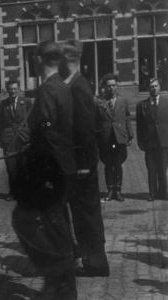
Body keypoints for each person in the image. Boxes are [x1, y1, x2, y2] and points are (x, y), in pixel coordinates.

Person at [12, 40, 77, 300]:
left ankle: (58, 286)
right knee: (57, 228)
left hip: (52, 173)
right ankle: (61, 289)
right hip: (63, 169)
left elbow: (49, 135)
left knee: (27, 221)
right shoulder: (62, 86)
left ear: (38, 59)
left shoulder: (49, 89)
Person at [60, 39, 110, 277]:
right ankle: (92, 261)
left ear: (68, 60)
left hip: (83, 166)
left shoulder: (78, 86)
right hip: (79, 164)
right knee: (83, 215)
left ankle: (97, 264)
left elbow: (87, 130)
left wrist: (83, 164)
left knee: (88, 215)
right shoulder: (75, 84)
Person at [97, 73, 133, 202]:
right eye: (109, 86)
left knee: (118, 164)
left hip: (119, 137)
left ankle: (118, 190)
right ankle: (110, 190)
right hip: (106, 138)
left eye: (113, 85)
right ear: (105, 87)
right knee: (107, 164)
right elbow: (96, 121)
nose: (111, 88)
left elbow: (127, 117)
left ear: (117, 86)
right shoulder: (99, 102)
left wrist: (130, 134)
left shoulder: (122, 101)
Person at [0, 80, 31, 202]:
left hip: (23, 137)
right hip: (9, 139)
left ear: (19, 89)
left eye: (15, 89)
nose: (12, 91)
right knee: (10, 167)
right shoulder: (2, 104)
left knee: (23, 166)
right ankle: (12, 192)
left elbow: (31, 121)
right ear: (7, 90)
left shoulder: (25, 102)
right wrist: (0, 140)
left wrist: (32, 137)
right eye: (10, 89)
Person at [136, 78, 168, 201]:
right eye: (151, 87)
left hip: (164, 141)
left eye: (156, 86)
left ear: (159, 87)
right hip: (149, 142)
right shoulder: (141, 105)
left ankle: (163, 193)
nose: (154, 89)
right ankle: (152, 194)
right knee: (151, 168)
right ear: (147, 89)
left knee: (163, 167)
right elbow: (139, 127)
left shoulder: (166, 103)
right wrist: (140, 143)